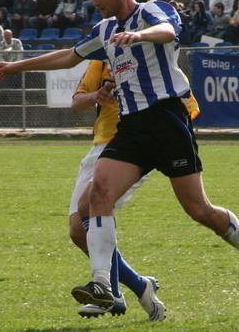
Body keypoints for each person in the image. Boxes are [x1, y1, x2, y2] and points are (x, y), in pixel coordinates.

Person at [0, 0, 239, 309]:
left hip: (167, 120)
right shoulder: (104, 30)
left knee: (199, 209)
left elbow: (168, 32)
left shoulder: (151, 11)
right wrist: (15, 65)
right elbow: (69, 57)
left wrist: (137, 35)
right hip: (131, 128)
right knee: (96, 196)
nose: (94, 2)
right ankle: (104, 286)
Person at [67, 57, 172, 321]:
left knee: (90, 209)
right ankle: (139, 286)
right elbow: (76, 103)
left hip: (132, 149)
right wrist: (95, 95)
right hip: (99, 148)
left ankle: (109, 292)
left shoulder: (152, 57)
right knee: (78, 232)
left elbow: (184, 103)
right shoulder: (100, 61)